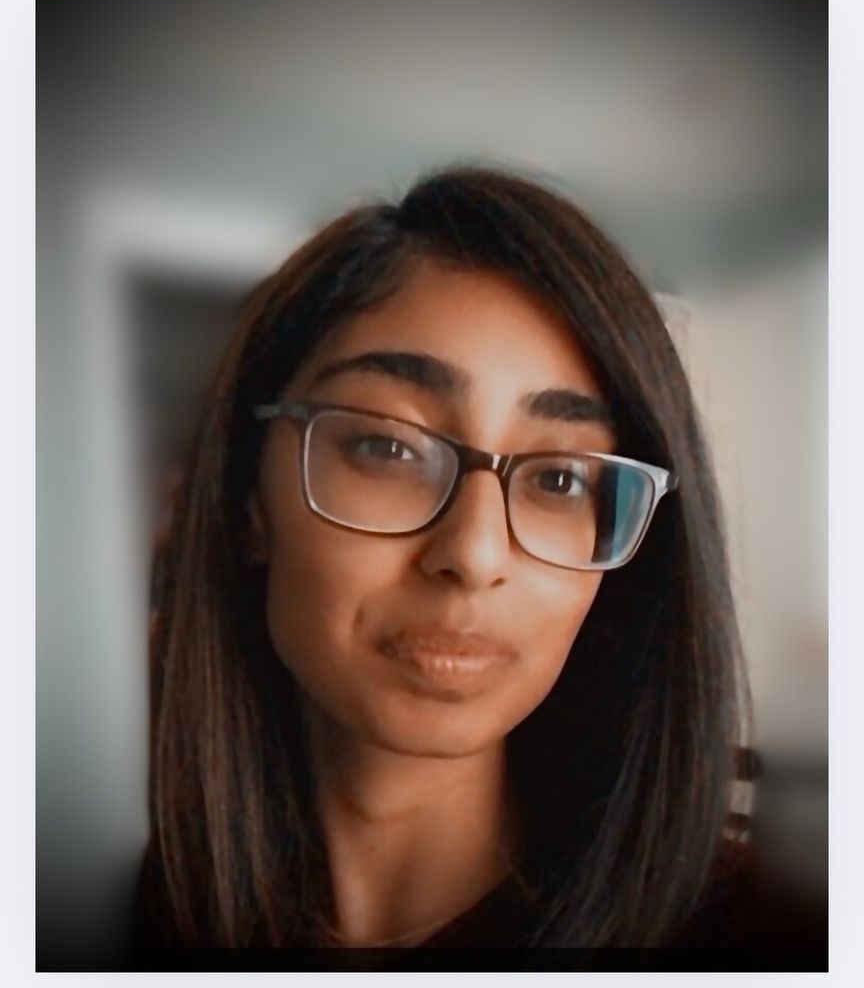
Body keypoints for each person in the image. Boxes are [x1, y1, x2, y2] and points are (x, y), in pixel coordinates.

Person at [134, 165, 760, 965]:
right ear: (250, 499)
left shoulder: (759, 942)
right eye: (388, 447)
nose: (474, 553)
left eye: (560, 480)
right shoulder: (126, 916)